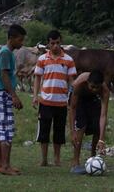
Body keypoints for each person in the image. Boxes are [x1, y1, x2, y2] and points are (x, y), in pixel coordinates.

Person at [32, 30, 77, 166]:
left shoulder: (68, 60)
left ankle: (57, 159)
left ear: (61, 42)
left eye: (58, 43)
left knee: (59, 132)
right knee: (44, 131)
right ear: (48, 44)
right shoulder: (42, 59)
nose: (55, 46)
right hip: (45, 101)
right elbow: (37, 78)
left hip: (61, 102)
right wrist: (35, 96)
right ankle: (44, 159)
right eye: (52, 43)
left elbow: (72, 81)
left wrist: (73, 98)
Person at [0, 24, 26, 175]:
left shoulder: (4, 52)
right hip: (2, 95)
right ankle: (5, 166)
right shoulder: (6, 53)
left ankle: (0, 164)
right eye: (20, 40)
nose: (22, 43)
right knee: (6, 131)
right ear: (11, 38)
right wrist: (14, 95)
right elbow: (5, 75)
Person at [68, 70, 110, 174]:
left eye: (97, 87)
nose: (94, 90)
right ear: (87, 83)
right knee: (81, 126)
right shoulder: (79, 85)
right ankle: (75, 163)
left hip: (93, 100)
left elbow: (103, 115)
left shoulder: (105, 91)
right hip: (79, 99)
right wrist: (72, 131)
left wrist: (101, 139)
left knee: (97, 127)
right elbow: (72, 108)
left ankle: (93, 158)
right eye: (92, 87)